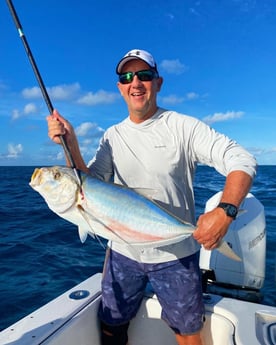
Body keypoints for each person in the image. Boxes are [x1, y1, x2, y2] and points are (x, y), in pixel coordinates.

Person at [47, 49, 257, 345]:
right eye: (127, 77)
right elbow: (90, 187)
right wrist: (72, 144)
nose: (136, 83)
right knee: (111, 324)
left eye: (144, 76)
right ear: (119, 87)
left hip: (176, 254)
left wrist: (226, 210)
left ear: (158, 83)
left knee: (188, 333)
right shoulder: (113, 136)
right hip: (123, 253)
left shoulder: (182, 127)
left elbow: (241, 159)